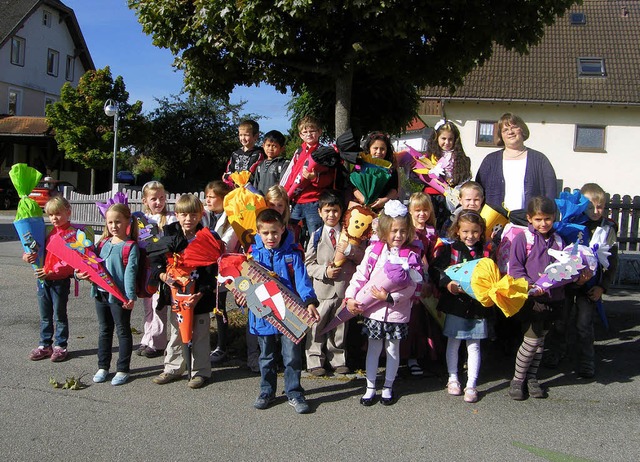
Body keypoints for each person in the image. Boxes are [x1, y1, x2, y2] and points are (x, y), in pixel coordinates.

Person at [345, 200, 422, 406]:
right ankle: (370, 387)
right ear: (385, 230)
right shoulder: (374, 251)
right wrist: (350, 297)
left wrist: (390, 298)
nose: (398, 236)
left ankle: (388, 386)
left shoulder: (411, 255)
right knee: (373, 348)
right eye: (394, 231)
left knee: (393, 350)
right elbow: (361, 276)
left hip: (397, 312)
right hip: (373, 312)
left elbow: (413, 286)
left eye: (403, 231)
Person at [248, 209, 320, 414]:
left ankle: (294, 392)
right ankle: (266, 390)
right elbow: (246, 283)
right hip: (263, 313)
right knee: (267, 356)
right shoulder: (252, 254)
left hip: (290, 313)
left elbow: (302, 280)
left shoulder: (292, 253)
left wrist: (310, 302)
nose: (271, 237)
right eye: (266, 233)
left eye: (275, 232)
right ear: (258, 232)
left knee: (291, 356)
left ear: (282, 229)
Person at [545, 183, 618, 378]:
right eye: (590, 206)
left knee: (584, 324)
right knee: (561, 320)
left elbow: (612, 261)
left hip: (591, 286)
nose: (596, 211)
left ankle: (587, 361)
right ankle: (556, 352)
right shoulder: (571, 224)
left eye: (600, 206)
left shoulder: (607, 229)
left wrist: (603, 287)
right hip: (568, 283)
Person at [151, 194, 217, 389]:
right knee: (176, 332)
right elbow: (155, 259)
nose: (188, 219)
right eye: (184, 214)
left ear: (200, 215)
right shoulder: (168, 234)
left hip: (200, 296)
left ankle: (200, 371)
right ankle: (173, 367)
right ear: (177, 215)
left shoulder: (206, 236)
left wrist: (202, 292)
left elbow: (212, 269)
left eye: (193, 215)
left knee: (200, 333)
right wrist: (162, 276)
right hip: (176, 295)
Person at [507, 196, 565, 400]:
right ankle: (518, 379)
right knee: (531, 341)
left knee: (540, 342)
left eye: (547, 219)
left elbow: (563, 270)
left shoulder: (558, 240)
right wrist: (530, 285)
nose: (543, 223)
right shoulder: (524, 239)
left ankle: (532, 378)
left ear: (554, 218)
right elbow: (515, 268)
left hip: (553, 299)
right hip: (531, 299)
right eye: (538, 219)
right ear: (529, 219)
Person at [431, 210, 491, 403]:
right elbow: (435, 269)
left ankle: (471, 384)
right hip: (456, 304)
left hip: (477, 306)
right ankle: (453, 378)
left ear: (481, 231)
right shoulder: (450, 249)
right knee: (454, 342)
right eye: (465, 231)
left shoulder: (486, 251)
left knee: (474, 345)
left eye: (474, 232)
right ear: (457, 231)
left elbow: (493, 273)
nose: (470, 236)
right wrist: (447, 283)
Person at [304, 190, 365, 376]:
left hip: (343, 289)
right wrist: (325, 271)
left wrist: (349, 251)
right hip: (322, 290)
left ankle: (338, 358)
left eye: (336, 211)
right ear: (320, 212)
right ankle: (314, 359)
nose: (332, 215)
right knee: (317, 325)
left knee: (340, 327)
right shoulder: (315, 236)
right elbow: (308, 264)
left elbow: (362, 259)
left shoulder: (350, 234)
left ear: (341, 212)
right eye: (328, 211)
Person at [85, 203, 139, 386]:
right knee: (104, 330)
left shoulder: (130, 246)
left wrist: (130, 297)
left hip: (119, 298)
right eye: (110, 222)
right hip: (100, 295)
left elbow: (130, 273)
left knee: (123, 331)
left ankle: (123, 369)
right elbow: (90, 264)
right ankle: (103, 366)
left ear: (127, 222)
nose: (114, 226)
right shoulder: (102, 243)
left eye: (118, 222)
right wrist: (80, 274)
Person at [23, 196, 76, 362]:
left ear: (68, 212)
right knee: (45, 315)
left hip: (60, 281)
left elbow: (71, 261)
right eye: (51, 215)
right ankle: (45, 345)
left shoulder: (72, 234)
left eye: (58, 214)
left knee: (59, 315)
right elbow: (35, 251)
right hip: (43, 280)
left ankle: (61, 346)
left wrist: (51, 271)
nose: (54, 218)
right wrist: (28, 257)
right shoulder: (48, 232)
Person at [476, 113, 557, 212]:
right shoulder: (490, 161)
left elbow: (550, 192)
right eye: (505, 130)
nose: (510, 132)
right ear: (501, 135)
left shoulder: (540, 160)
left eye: (514, 127)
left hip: (529, 222)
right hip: (495, 222)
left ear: (522, 130)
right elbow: (478, 192)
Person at [137, 181, 177, 359]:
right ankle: (147, 338)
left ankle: (158, 343)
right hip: (146, 267)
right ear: (145, 200)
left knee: (158, 305)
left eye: (161, 198)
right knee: (148, 306)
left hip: (162, 267)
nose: (158, 202)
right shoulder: (141, 220)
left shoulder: (170, 218)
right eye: (154, 199)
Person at [202, 180, 239, 365]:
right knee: (203, 308)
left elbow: (225, 244)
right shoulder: (204, 216)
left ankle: (222, 346)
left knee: (220, 308)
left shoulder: (231, 219)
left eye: (211, 197)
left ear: (223, 199)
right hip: (203, 267)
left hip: (222, 269)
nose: (207, 200)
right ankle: (203, 343)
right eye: (206, 196)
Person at [402, 192, 439, 376]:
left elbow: (433, 257)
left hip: (428, 277)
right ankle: (411, 357)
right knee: (413, 320)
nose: (421, 214)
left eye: (425, 210)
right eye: (417, 210)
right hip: (411, 278)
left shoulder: (432, 231)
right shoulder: (407, 231)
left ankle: (425, 354)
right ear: (410, 211)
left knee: (426, 319)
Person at [282, 115, 336, 237]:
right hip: (296, 200)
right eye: (305, 132)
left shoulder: (324, 152)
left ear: (319, 132)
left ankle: (316, 256)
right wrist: (286, 193)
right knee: (292, 233)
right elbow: (292, 174)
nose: (309, 134)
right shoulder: (298, 152)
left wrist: (314, 178)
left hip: (314, 200)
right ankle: (296, 255)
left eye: (312, 131)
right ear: (300, 135)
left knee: (315, 234)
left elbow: (330, 177)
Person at [424, 120, 472, 230]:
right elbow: (421, 176)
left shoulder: (462, 159)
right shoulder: (430, 157)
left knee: (450, 226)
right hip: (433, 197)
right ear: (436, 138)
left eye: (450, 139)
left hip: (453, 198)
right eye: (443, 139)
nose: (447, 142)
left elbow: (465, 178)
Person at [352, 132, 399, 211]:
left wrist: (384, 200)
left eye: (382, 149)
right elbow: (353, 186)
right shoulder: (360, 165)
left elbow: (394, 189)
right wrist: (363, 199)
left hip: (383, 208)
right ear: (369, 148)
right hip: (361, 207)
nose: (379, 152)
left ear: (387, 150)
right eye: (375, 148)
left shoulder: (390, 168)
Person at [222, 119, 264, 188]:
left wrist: (231, 177)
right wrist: (229, 179)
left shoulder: (258, 154)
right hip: (234, 189)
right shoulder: (235, 154)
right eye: (240, 135)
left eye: (246, 135)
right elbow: (228, 172)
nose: (243, 138)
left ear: (255, 136)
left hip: (249, 191)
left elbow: (249, 176)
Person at [252, 130, 289, 195]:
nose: (270, 149)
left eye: (274, 146)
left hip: (275, 201)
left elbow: (284, 185)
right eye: (268, 145)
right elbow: (256, 184)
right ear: (263, 146)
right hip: (260, 201)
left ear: (282, 148)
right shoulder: (260, 165)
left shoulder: (284, 164)